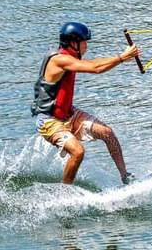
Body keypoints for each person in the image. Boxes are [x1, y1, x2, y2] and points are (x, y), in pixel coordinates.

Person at [31, 21, 141, 185]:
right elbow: (94, 67)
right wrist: (121, 58)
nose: (86, 47)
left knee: (107, 133)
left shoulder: (70, 58)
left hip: (68, 114)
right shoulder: (59, 60)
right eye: (84, 43)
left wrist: (121, 59)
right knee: (78, 152)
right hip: (49, 121)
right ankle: (65, 193)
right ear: (73, 43)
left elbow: (94, 64)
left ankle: (126, 177)